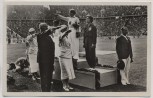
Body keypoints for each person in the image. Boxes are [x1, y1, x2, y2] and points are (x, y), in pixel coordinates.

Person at [37, 23, 55, 92]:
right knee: (45, 76)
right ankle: (45, 91)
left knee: (47, 77)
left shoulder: (47, 36)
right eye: (46, 27)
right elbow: (43, 35)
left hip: (47, 60)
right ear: (44, 28)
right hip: (45, 60)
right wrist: (49, 31)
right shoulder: (40, 36)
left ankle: (46, 90)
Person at [58, 26, 75, 92]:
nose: (66, 31)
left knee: (68, 71)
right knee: (64, 71)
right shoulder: (60, 36)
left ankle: (67, 84)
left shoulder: (67, 37)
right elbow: (61, 36)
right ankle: (64, 85)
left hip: (68, 56)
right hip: (63, 56)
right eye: (65, 30)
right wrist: (67, 31)